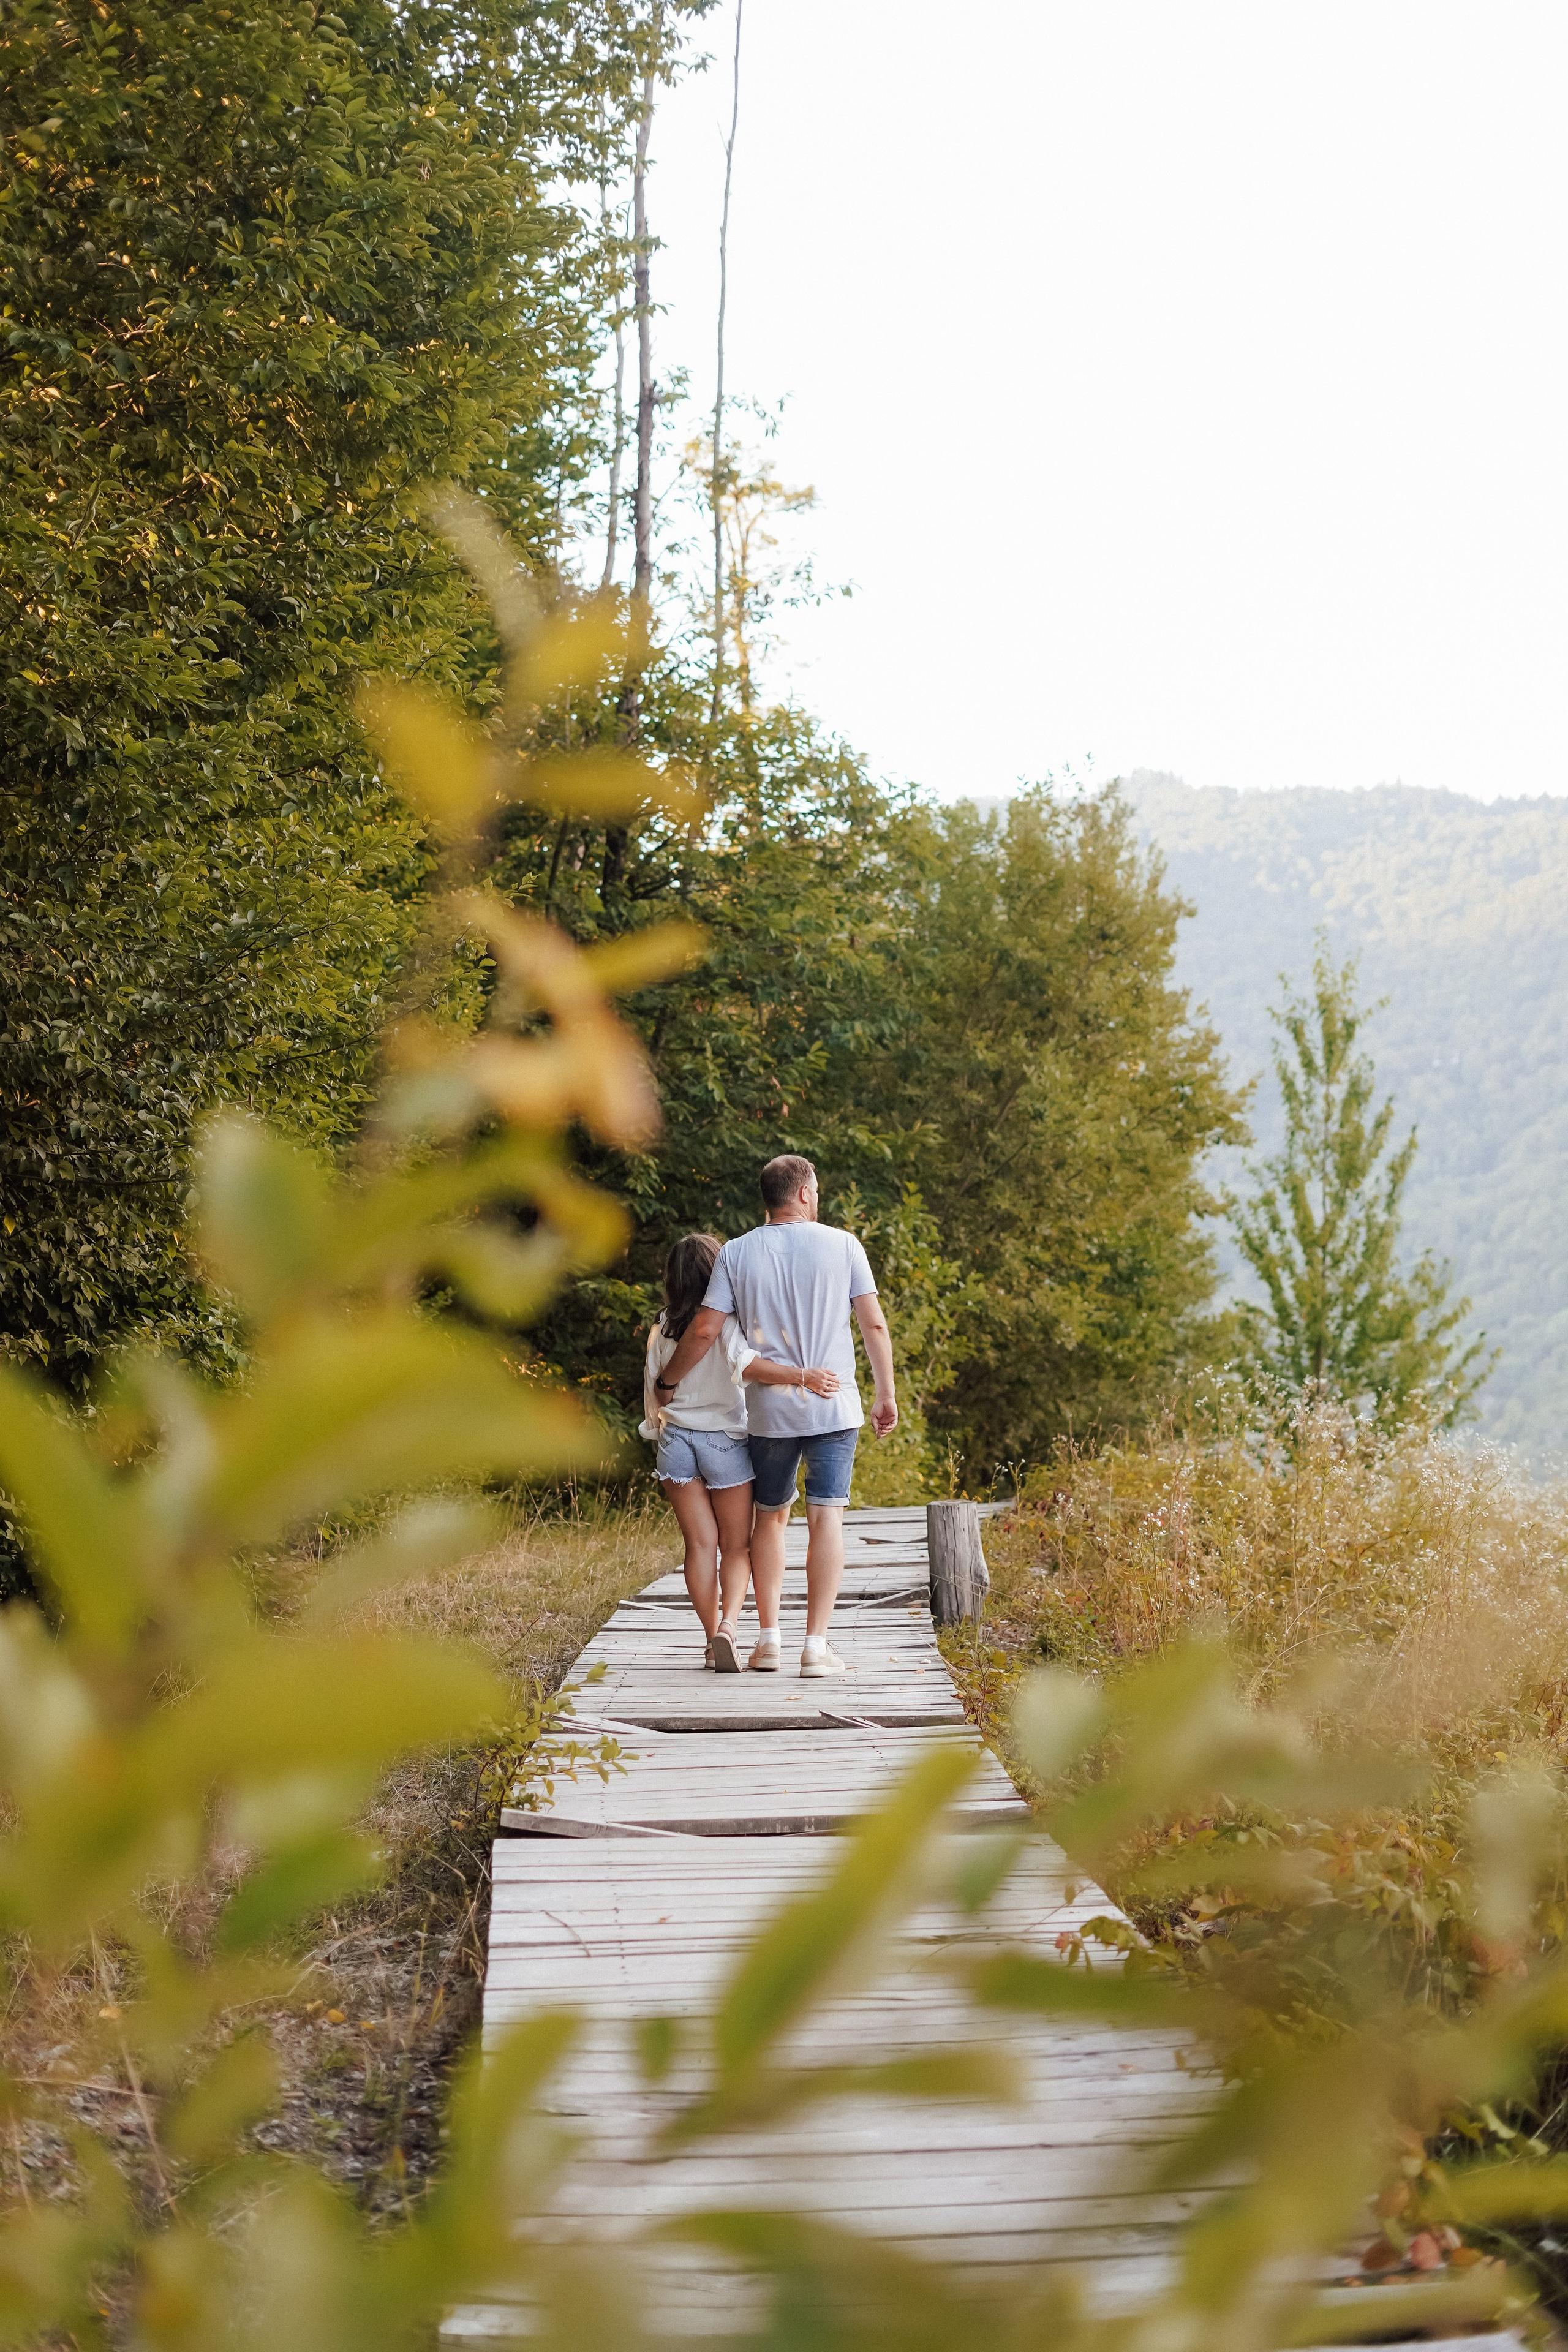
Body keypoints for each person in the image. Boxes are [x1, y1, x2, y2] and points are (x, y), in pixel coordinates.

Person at [652, 1157, 897, 1678]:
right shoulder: (845, 1245)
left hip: (767, 1415)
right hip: (833, 1406)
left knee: (771, 1517)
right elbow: (873, 1324)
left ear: (768, 1197)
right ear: (806, 1193)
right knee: (826, 1516)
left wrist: (667, 1383)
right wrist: (886, 1394)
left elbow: (703, 1330)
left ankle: (767, 1642)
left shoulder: (736, 1254)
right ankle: (815, 1646)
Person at [641, 1231, 841, 1673]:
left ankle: (712, 1641)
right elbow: (748, 1366)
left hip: (675, 1444)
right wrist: (802, 1376)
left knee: (699, 1545)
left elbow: (656, 1393)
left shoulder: (661, 1326)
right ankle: (730, 1626)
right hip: (724, 1442)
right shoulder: (725, 1322)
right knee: (736, 1546)